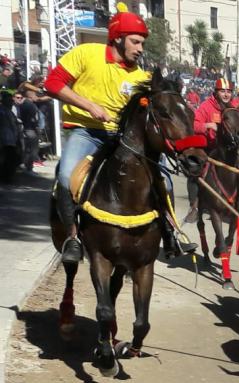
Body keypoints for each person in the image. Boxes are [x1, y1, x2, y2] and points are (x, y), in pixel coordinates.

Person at [44, 4, 192, 264]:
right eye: (136, 42)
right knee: (67, 177)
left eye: (143, 44)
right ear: (118, 38)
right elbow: (52, 83)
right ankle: (72, 238)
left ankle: (170, 234)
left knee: (166, 182)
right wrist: (90, 106)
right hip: (85, 133)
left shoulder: (140, 76)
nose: (140, 49)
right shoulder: (86, 53)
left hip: (121, 139)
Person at [183, 77, 239, 223]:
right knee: (195, 169)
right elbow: (194, 125)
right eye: (223, 91)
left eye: (228, 91)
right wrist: (208, 126)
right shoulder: (206, 106)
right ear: (216, 92)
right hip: (209, 146)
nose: (226, 94)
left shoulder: (232, 108)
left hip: (227, 148)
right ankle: (194, 206)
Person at [12, 89, 40, 175]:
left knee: (28, 149)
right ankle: (27, 168)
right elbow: (35, 118)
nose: (19, 99)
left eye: (21, 97)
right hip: (27, 130)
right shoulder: (27, 105)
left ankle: (26, 167)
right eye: (17, 97)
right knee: (30, 149)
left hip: (25, 129)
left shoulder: (23, 105)